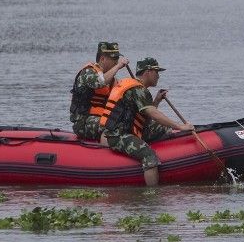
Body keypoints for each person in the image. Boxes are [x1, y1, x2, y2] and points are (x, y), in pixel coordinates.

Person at [100, 57, 195, 186]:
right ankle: (151, 194)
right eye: (156, 72)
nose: (158, 76)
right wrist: (180, 126)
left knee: (164, 129)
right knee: (149, 156)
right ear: (147, 72)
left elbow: (144, 115)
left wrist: (156, 101)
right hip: (118, 135)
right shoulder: (137, 90)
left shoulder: (137, 88)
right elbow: (153, 114)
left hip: (128, 130)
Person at [69, 41, 128, 141]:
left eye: (117, 59)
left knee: (126, 124)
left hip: (102, 118)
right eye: (114, 59)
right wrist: (118, 67)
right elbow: (100, 82)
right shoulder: (88, 72)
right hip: (84, 122)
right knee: (112, 126)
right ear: (102, 59)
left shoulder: (112, 80)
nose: (116, 62)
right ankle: (108, 147)